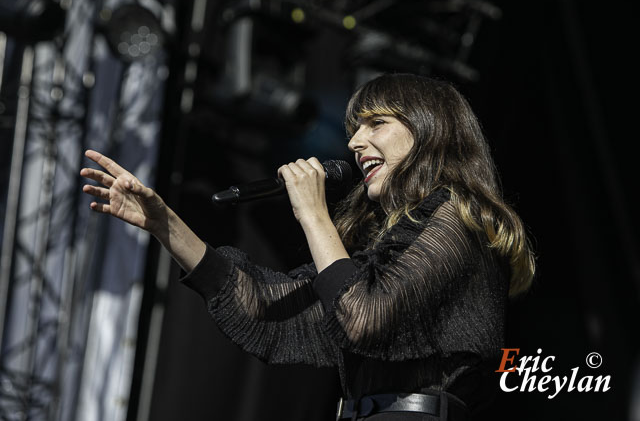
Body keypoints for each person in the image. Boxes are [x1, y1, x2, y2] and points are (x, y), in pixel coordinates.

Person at [80, 73, 535, 420]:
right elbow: (265, 305)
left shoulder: (456, 216)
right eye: (356, 128)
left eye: (377, 123)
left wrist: (313, 214)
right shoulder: (382, 244)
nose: (356, 142)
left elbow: (363, 317)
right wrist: (166, 225)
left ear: (429, 129)